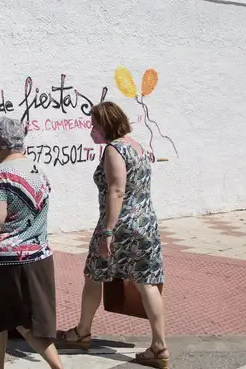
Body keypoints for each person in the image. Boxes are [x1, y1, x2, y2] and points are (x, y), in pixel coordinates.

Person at [60, 101, 169, 368]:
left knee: (94, 275)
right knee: (147, 283)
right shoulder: (136, 145)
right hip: (146, 224)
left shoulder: (113, 150)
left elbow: (116, 191)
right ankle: (159, 346)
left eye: (94, 126)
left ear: (106, 126)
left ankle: (82, 331)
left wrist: (108, 231)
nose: (91, 131)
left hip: (120, 226)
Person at [0, 117, 63, 369]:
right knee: (28, 324)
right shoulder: (37, 171)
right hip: (38, 258)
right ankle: (57, 366)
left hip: (3, 263)